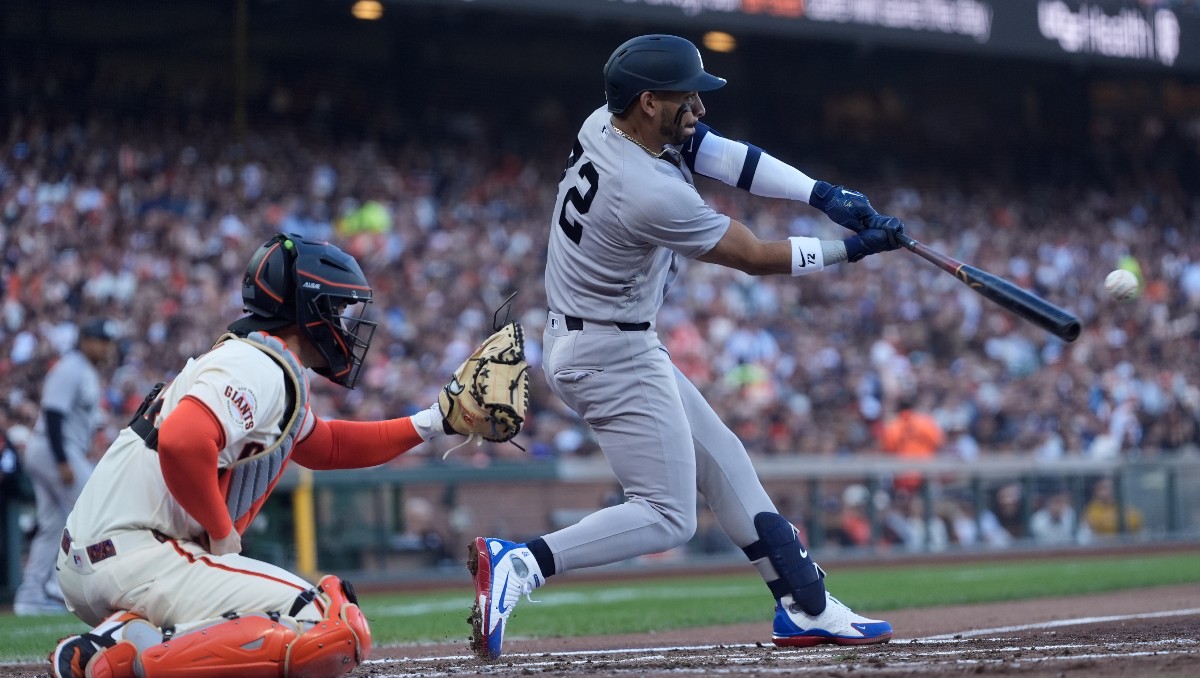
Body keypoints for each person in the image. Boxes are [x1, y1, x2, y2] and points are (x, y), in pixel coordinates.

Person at [467, 34, 905, 659]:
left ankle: (804, 605)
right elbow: (754, 257)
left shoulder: (607, 121)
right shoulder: (646, 190)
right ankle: (524, 562)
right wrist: (851, 249)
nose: (698, 106)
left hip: (604, 337)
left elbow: (721, 155)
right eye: (685, 96)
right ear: (648, 101)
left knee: (724, 458)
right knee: (667, 515)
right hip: (609, 352)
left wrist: (823, 195)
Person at [49, 234, 472, 678]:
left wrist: (434, 422)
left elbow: (328, 445)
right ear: (310, 309)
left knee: (315, 623)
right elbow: (182, 439)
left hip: (102, 559)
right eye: (338, 310)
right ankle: (126, 663)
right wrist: (220, 529)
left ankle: (115, 644)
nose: (344, 326)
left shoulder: (257, 358)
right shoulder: (260, 366)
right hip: (140, 554)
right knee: (330, 625)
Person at [13, 317, 119, 616]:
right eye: (101, 340)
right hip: (52, 449)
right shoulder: (71, 367)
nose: (106, 347)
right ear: (85, 340)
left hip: (57, 449)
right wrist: (61, 460)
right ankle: (58, 584)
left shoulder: (85, 370)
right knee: (92, 509)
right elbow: (53, 414)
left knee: (52, 525)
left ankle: (31, 594)